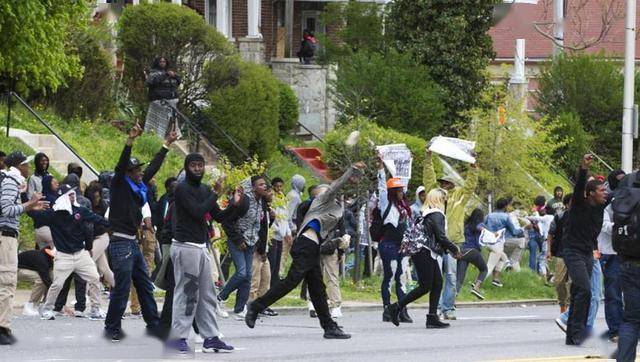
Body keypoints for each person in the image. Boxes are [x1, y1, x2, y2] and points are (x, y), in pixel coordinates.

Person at [245, 162, 367, 339]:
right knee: (291, 281)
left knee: (317, 288)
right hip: (306, 245)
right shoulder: (320, 201)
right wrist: (350, 171)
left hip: (312, 247)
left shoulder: (332, 207)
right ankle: (256, 306)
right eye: (326, 190)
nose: (330, 191)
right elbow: (335, 187)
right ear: (318, 195)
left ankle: (329, 327)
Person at [103, 122, 177, 342]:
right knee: (122, 288)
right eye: (136, 170)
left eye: (139, 170)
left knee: (145, 285)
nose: (140, 173)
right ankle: (112, 327)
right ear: (128, 172)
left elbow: (152, 168)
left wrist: (166, 145)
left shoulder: (138, 187)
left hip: (132, 244)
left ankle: (153, 325)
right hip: (120, 243)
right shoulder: (119, 185)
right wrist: (130, 140)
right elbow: (120, 165)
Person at [166, 153, 236, 354]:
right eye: (194, 165)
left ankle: (211, 337)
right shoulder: (182, 189)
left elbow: (219, 217)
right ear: (187, 168)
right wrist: (215, 193)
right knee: (187, 294)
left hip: (200, 246)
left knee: (207, 294)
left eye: (200, 165)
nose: (198, 169)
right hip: (185, 246)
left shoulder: (205, 189)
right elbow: (197, 212)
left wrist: (235, 204)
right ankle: (178, 338)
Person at [386, 188, 461, 329]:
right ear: (439, 199)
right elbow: (441, 236)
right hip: (425, 251)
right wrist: (454, 249)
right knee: (426, 285)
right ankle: (396, 307)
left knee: (437, 282)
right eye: (444, 199)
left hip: (423, 251)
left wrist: (446, 249)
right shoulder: (437, 214)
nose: (446, 202)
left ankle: (432, 317)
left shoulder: (425, 213)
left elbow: (436, 237)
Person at [31, 188, 109, 321]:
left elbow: (98, 219)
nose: (74, 196)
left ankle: (95, 309)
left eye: (74, 193)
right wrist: (32, 206)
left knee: (95, 278)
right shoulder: (54, 214)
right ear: (62, 197)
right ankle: (47, 308)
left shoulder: (80, 211)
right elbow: (34, 216)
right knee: (57, 284)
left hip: (81, 254)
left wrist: (117, 224)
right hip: (63, 256)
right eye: (70, 194)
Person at [423, 147, 478, 320]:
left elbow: (470, 185)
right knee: (437, 276)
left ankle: (448, 308)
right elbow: (428, 180)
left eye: (446, 183)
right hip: (436, 242)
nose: (443, 185)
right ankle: (437, 306)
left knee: (451, 276)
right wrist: (428, 159)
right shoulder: (436, 195)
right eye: (441, 183)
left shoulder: (460, 196)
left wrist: (473, 167)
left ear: (453, 184)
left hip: (454, 241)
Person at [0, 151, 48, 345]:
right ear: (18, 166)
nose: (28, 167)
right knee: (7, 281)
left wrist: (30, 206)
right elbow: (6, 210)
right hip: (6, 237)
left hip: (6, 235)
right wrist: (30, 204)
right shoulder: (11, 181)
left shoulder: (10, 180)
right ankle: (2, 328)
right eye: (26, 164)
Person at [563, 154, 607, 346]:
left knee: (577, 293)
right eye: (600, 190)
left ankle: (572, 335)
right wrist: (583, 168)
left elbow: (621, 191)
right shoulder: (580, 204)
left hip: (587, 253)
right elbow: (579, 186)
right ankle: (578, 331)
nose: (604, 192)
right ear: (590, 193)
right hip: (573, 251)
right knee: (585, 289)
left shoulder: (601, 206)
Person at [218, 175, 267, 319]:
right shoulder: (244, 201)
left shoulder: (261, 202)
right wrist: (238, 239)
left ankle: (239, 309)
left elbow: (261, 225)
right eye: (261, 184)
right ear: (253, 188)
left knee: (248, 276)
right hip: (237, 241)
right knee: (241, 273)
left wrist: (261, 246)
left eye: (265, 184)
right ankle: (219, 298)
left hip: (251, 242)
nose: (264, 187)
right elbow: (227, 221)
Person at [376, 158, 413, 323]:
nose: (401, 193)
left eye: (401, 190)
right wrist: (380, 168)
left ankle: (402, 308)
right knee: (390, 276)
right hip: (389, 245)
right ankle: (387, 308)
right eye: (397, 190)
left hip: (403, 245)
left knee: (402, 277)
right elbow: (382, 188)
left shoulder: (405, 207)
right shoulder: (386, 204)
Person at [598, 170, 625, 342]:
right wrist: (623, 227)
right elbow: (605, 225)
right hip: (610, 252)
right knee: (613, 293)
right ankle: (616, 330)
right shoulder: (607, 201)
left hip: (629, 252)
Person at [484, 197, 526, 287]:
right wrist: (522, 229)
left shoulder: (489, 215)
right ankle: (477, 283)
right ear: (505, 206)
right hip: (498, 242)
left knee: (498, 259)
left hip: (489, 242)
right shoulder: (506, 217)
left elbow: (483, 226)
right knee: (490, 266)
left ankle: (496, 279)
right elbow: (514, 232)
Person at [250, 187, 275, 315]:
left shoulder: (267, 208)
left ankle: (260, 305)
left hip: (263, 249)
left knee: (266, 278)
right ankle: (251, 306)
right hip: (257, 249)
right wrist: (261, 250)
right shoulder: (259, 208)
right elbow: (258, 230)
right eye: (269, 191)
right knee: (255, 279)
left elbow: (265, 228)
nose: (272, 194)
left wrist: (273, 218)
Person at [85, 184, 114, 289]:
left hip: (102, 236)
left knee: (87, 263)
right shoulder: (87, 205)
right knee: (104, 268)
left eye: (98, 197)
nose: (97, 199)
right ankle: (119, 287)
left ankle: (84, 294)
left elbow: (108, 222)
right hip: (93, 238)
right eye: (95, 197)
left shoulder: (103, 205)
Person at [548, 194, 573, 315]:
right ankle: (563, 304)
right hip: (561, 253)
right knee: (559, 281)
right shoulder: (559, 217)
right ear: (567, 204)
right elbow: (550, 234)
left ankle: (573, 305)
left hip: (577, 254)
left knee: (574, 282)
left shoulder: (583, 216)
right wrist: (548, 251)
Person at [145, 57, 181, 137]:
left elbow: (178, 81)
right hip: (158, 102)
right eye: (160, 61)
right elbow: (151, 83)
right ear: (157, 63)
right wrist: (165, 75)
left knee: (171, 120)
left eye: (164, 61)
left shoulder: (170, 72)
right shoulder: (153, 73)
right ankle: (156, 136)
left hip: (171, 102)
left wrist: (174, 75)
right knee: (158, 122)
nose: (162, 63)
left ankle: (171, 135)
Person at [457, 208, 488, 300]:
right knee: (484, 269)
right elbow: (480, 227)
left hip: (462, 251)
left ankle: (452, 300)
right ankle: (476, 287)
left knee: (460, 278)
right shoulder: (479, 224)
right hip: (472, 251)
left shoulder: (466, 225)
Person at [268, 177, 290, 292]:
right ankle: (269, 284)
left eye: (281, 186)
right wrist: (278, 230)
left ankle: (274, 285)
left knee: (278, 262)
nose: (279, 188)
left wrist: (287, 232)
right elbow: (271, 219)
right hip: (273, 234)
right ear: (272, 186)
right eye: (277, 186)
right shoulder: (271, 199)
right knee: (272, 261)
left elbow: (285, 217)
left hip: (281, 235)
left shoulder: (283, 198)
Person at [18, 247, 54, 316]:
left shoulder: (47, 257)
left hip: (25, 267)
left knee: (50, 279)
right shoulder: (42, 260)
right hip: (17, 269)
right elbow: (48, 282)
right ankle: (30, 305)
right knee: (41, 279)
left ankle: (43, 305)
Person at [284, 174, 305, 274]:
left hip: (288, 227)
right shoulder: (295, 197)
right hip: (289, 229)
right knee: (284, 255)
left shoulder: (291, 194)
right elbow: (289, 214)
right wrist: (291, 229)